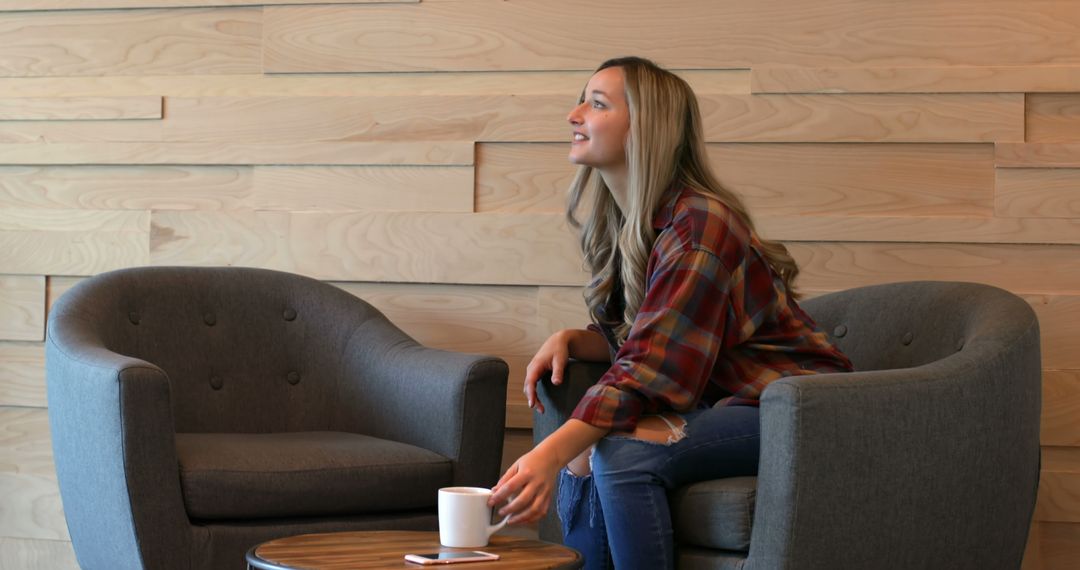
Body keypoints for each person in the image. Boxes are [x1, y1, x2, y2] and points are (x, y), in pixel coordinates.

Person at [487, 56, 854, 570]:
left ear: (646, 127)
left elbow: (651, 369)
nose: (574, 115)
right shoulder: (631, 223)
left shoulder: (701, 223)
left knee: (619, 454)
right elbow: (652, 333)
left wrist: (547, 454)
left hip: (793, 407)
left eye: (595, 104)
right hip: (721, 402)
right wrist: (579, 339)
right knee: (589, 451)